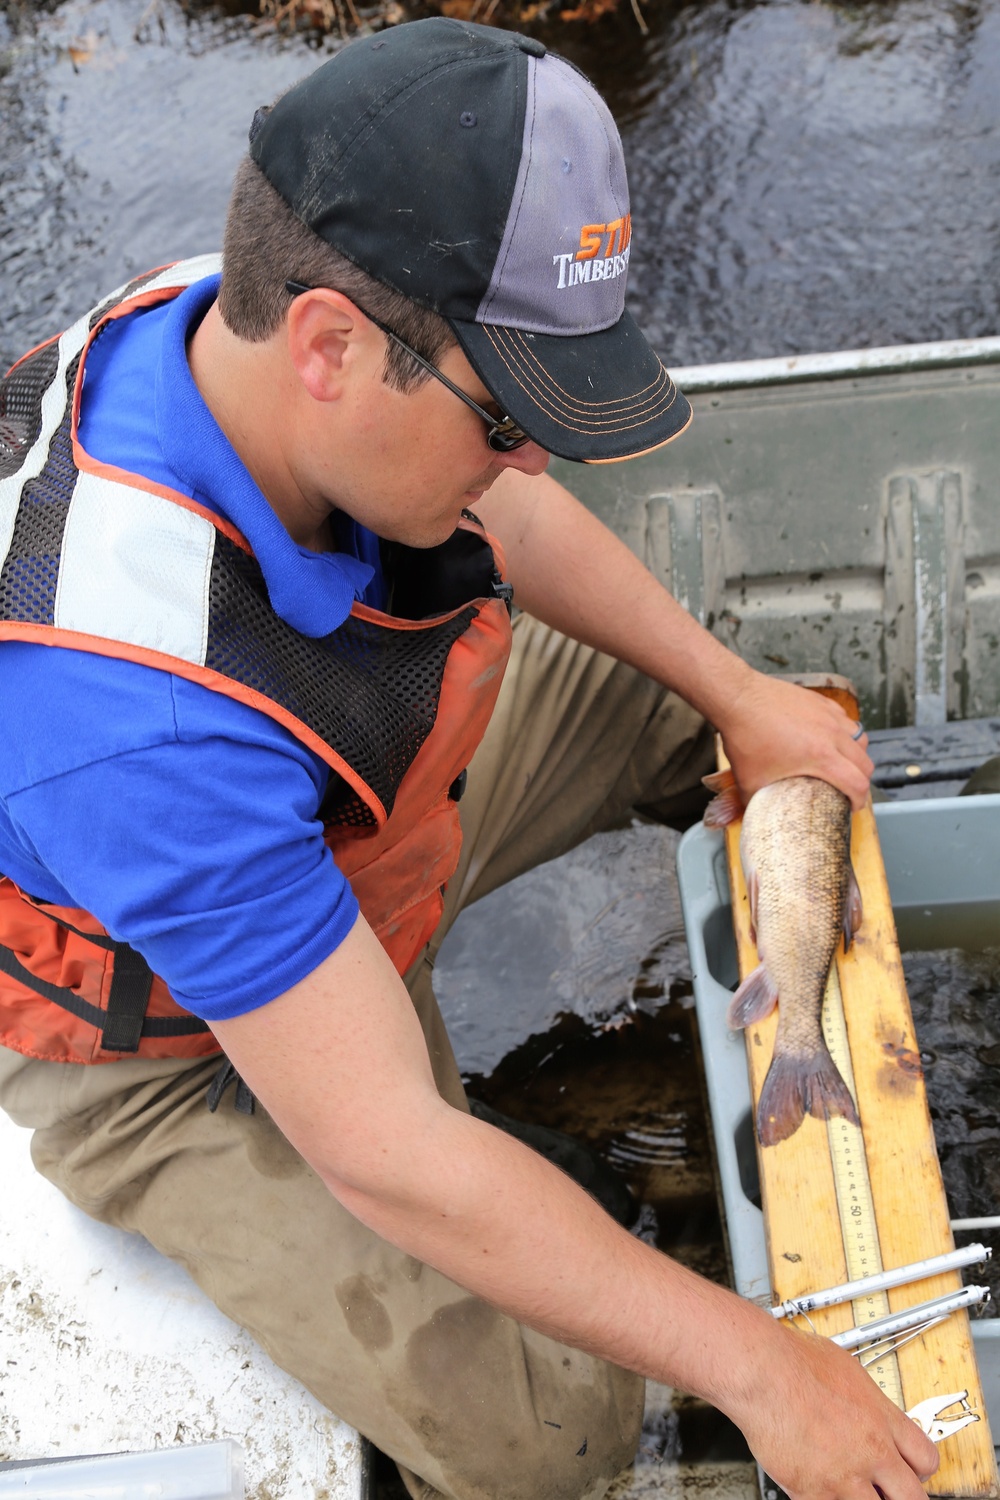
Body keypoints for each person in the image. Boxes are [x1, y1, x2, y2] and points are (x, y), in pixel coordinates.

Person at [0, 18, 934, 1500]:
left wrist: (738, 691)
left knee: (708, 722)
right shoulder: (138, 721)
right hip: (176, 1039)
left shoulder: (244, 319)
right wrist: (761, 1368)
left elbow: (513, 516)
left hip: (347, 799)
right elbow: (385, 1148)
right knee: (550, 1434)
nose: (534, 460)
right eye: (508, 413)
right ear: (330, 349)